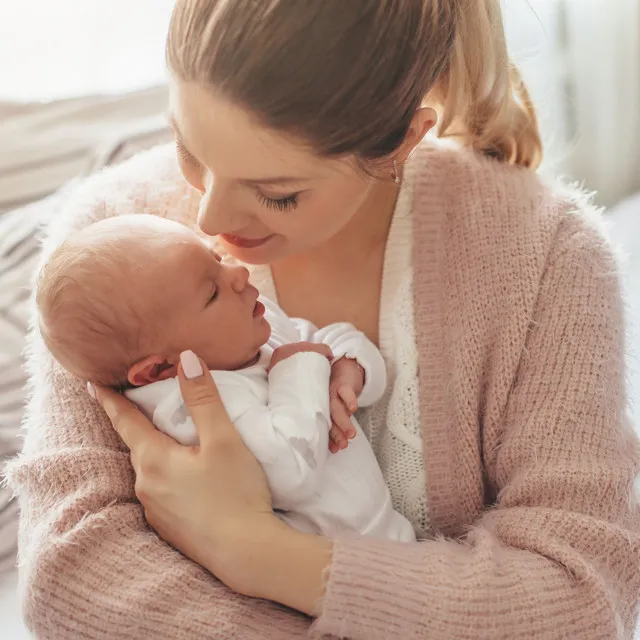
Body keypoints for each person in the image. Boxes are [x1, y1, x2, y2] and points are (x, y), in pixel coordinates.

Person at [6, 1, 640, 638]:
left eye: (277, 192)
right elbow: (71, 578)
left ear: (402, 141)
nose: (210, 220)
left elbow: (579, 596)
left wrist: (253, 553)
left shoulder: (548, 257)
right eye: (187, 148)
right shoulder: (109, 241)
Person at [35, 214, 415, 542]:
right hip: (333, 565)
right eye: (212, 293)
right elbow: (291, 473)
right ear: (159, 370)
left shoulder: (251, 332)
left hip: (388, 533)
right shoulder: (189, 410)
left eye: (216, 258)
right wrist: (299, 367)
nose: (237, 272)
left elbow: (331, 337)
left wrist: (349, 369)